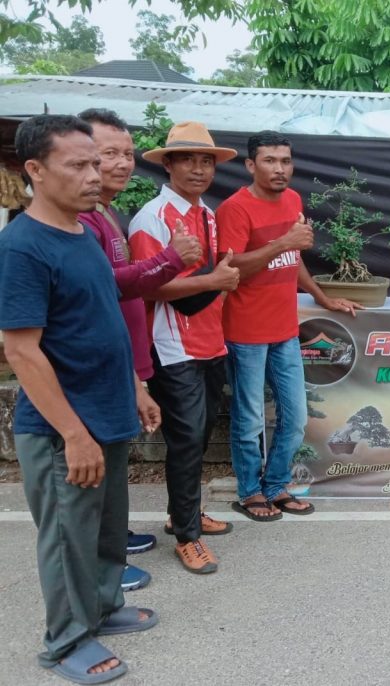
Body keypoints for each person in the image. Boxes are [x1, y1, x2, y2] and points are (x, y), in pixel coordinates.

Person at [0, 114, 159, 684]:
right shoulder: (22, 246)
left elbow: (102, 317)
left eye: (97, 162)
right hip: (62, 426)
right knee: (68, 535)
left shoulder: (82, 229)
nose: (97, 175)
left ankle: (103, 607)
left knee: (106, 526)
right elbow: (21, 351)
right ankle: (66, 641)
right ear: (35, 171)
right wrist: (72, 432)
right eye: (80, 165)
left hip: (109, 410)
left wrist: (135, 388)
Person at [77, 107, 203, 592]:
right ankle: (99, 565)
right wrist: (174, 261)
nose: (121, 163)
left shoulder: (110, 213)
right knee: (92, 471)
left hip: (126, 359)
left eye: (127, 154)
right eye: (108, 153)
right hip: (102, 365)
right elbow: (107, 288)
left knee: (113, 463)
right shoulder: (83, 220)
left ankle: (112, 539)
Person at [216, 130, 361, 521]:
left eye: (285, 160)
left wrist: (322, 297)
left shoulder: (294, 200)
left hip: (285, 329)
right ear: (250, 165)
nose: (279, 168)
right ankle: (250, 492)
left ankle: (276, 485)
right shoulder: (235, 208)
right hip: (245, 332)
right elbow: (229, 269)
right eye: (269, 160)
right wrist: (283, 242)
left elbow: (293, 259)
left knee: (296, 419)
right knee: (249, 421)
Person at [128, 121, 241, 574]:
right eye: (188, 159)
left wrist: (216, 282)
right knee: (186, 440)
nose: (198, 169)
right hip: (174, 347)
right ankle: (187, 536)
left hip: (210, 340)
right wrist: (215, 280)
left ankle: (185, 514)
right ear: (168, 164)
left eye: (206, 161)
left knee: (198, 435)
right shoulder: (151, 219)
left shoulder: (208, 215)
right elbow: (143, 287)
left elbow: (207, 281)